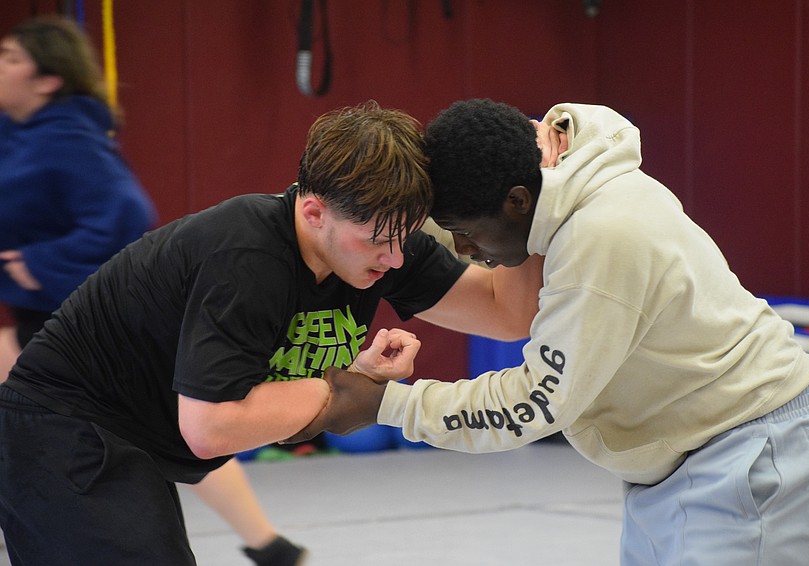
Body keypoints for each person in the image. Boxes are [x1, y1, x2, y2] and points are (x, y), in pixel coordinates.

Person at [288, 99, 809, 566]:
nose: (463, 251)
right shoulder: (561, 169)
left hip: (750, 442)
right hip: (688, 453)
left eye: (463, 233)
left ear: (517, 201)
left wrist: (389, 405)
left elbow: (536, 402)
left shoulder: (600, 239)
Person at [0, 97, 541, 565]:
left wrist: (536, 201)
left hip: (137, 439)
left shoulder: (374, 238)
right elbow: (211, 427)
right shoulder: (248, 258)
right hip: (62, 427)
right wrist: (340, 390)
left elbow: (505, 313)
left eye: (403, 238)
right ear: (312, 212)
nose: (395, 258)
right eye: (379, 240)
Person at [0, 15, 156, 376]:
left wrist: (43, 262)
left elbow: (128, 214)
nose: (1, 67)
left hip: (78, 319)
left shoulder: (68, 139)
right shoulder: (13, 131)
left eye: (12, 59)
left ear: (48, 81)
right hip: (35, 310)